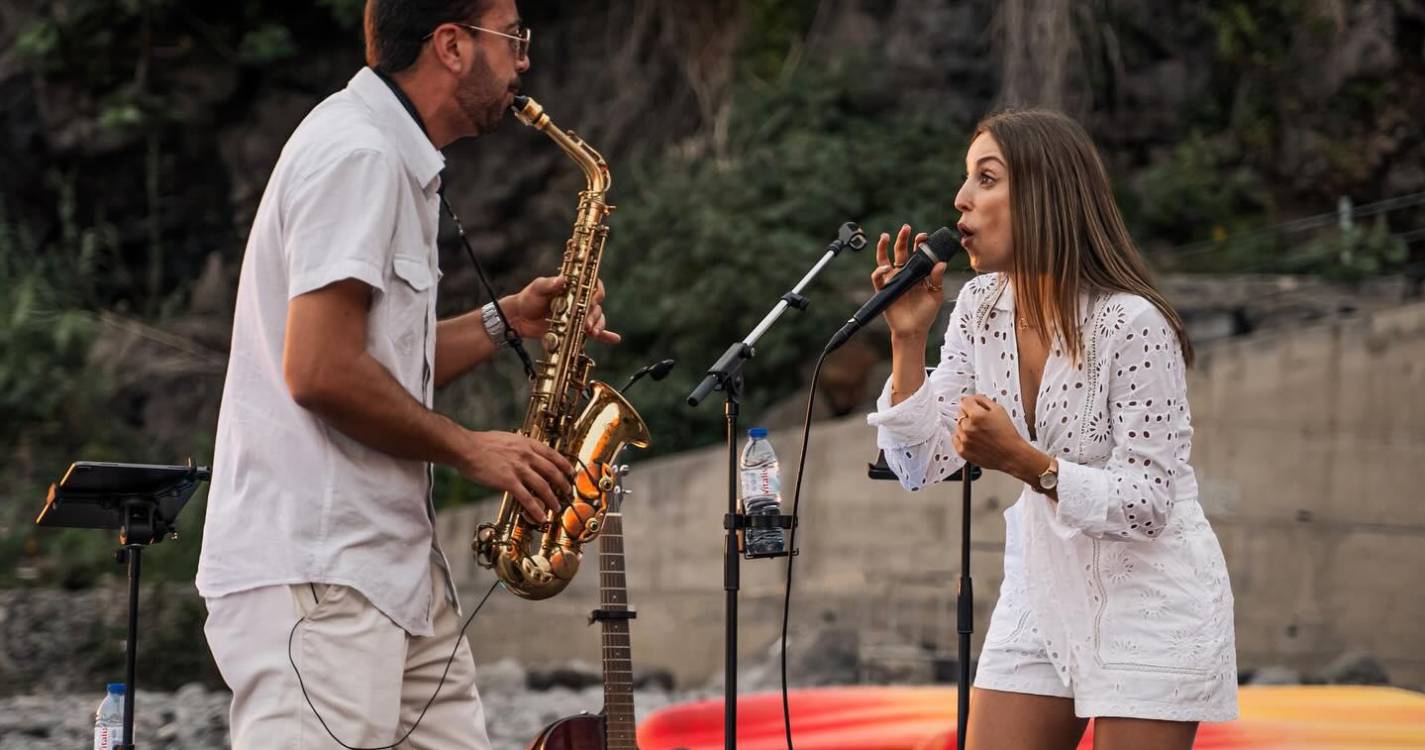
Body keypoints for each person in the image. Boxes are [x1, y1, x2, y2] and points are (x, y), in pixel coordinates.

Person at [196, 1, 618, 747]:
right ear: (451, 46)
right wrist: (471, 448)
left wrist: (508, 318)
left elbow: (380, 359)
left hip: (384, 570)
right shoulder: (358, 153)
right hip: (322, 575)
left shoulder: (384, 152)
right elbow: (320, 371)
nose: (524, 59)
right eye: (511, 37)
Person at [866, 109, 1237, 750]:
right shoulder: (980, 308)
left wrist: (1024, 462)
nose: (960, 200)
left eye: (986, 179)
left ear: (1043, 196)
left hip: (1149, 602)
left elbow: (1149, 504)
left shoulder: (1132, 323)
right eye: (965, 179)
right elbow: (920, 464)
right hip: (1040, 595)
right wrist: (907, 339)